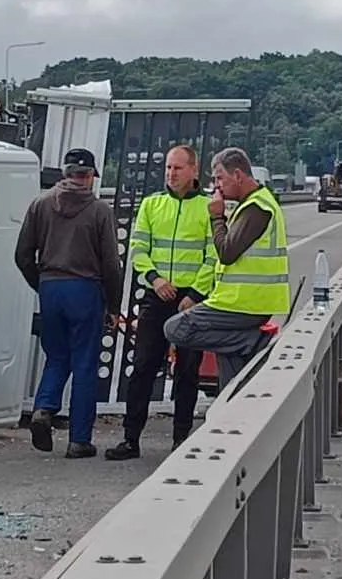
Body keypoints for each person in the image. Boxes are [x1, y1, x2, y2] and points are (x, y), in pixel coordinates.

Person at [108, 145, 217, 461]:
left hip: (191, 300)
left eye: (178, 168)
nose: (171, 174)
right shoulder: (151, 205)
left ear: (194, 171)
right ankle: (131, 439)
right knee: (142, 367)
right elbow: (138, 249)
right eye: (168, 168)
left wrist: (194, 294)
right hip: (158, 295)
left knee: (187, 371)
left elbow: (213, 256)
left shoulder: (209, 207)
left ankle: (181, 440)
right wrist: (155, 278)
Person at [14, 147, 122, 459]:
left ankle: (44, 408)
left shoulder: (40, 204)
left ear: (65, 172)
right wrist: (113, 307)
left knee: (57, 356)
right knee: (85, 363)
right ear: (89, 176)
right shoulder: (100, 210)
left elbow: (22, 255)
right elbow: (111, 265)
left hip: (50, 287)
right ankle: (79, 440)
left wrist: (41, 283)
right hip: (85, 290)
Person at [165, 147, 289, 390]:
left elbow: (227, 252)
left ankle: (251, 341)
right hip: (240, 301)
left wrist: (216, 217)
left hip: (244, 303)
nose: (216, 186)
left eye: (220, 178)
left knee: (176, 328)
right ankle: (230, 405)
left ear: (238, 176)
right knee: (229, 365)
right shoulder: (251, 204)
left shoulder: (257, 207)